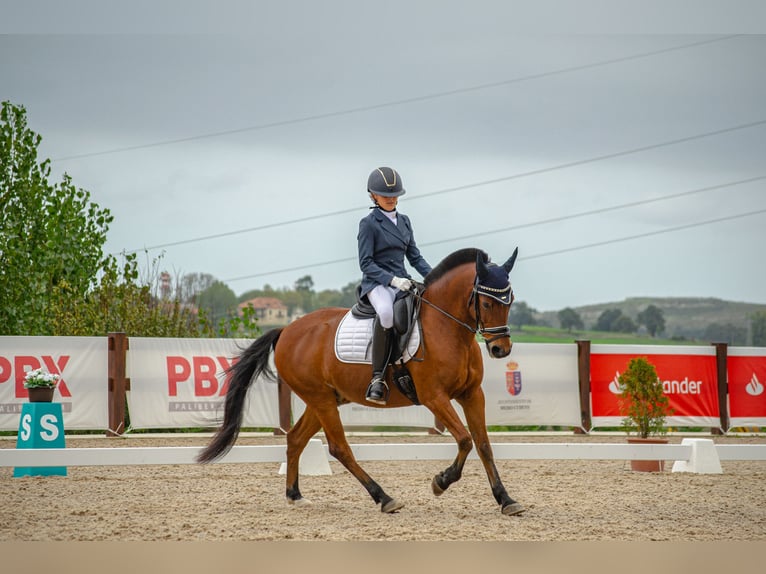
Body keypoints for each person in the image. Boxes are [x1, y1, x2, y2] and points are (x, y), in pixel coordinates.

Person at [357, 167, 432, 405]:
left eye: (394, 194)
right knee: (387, 314)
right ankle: (377, 378)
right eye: (384, 194)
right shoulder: (368, 224)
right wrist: (392, 280)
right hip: (378, 283)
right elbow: (366, 263)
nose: (390, 198)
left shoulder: (405, 221)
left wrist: (435, 277)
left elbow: (415, 257)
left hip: (403, 281)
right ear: (373, 196)